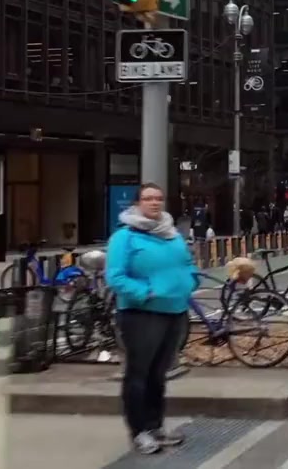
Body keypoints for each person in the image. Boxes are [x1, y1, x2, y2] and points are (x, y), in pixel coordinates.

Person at [106, 183, 197, 455]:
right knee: (139, 374)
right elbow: (115, 276)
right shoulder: (125, 237)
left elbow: (186, 263)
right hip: (141, 314)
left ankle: (155, 425)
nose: (154, 203)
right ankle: (139, 432)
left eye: (158, 198)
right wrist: (145, 293)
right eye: (148, 198)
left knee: (159, 374)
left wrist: (190, 281)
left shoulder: (172, 235)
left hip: (175, 310)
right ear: (137, 203)